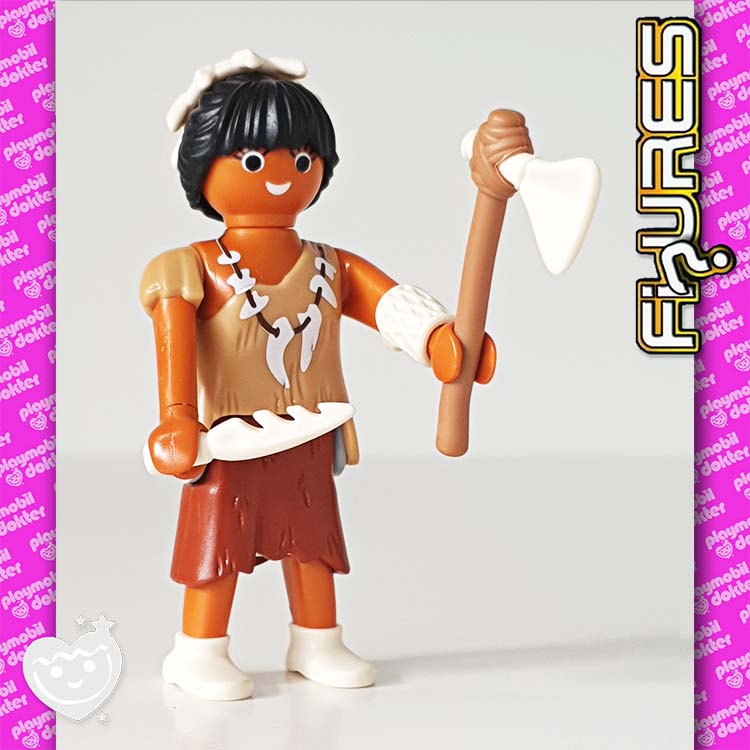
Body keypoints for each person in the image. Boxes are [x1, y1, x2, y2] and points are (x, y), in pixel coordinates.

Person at [141, 51, 495, 701]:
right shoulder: (189, 267)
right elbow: (175, 347)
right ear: (203, 167)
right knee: (218, 546)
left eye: (302, 160)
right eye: (255, 160)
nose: (282, 177)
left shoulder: (332, 265)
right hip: (227, 439)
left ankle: (317, 639)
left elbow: (389, 305)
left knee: (313, 543)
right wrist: (176, 419)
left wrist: (440, 341)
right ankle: (198, 649)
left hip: (310, 432)